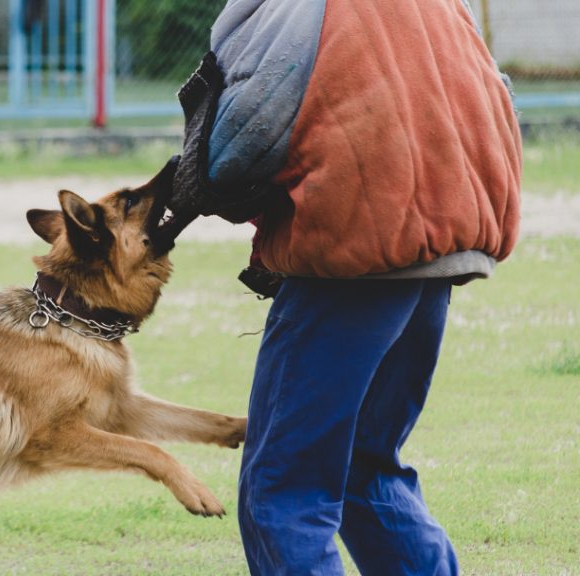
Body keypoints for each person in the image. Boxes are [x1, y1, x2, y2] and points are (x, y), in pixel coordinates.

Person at [168, 0, 522, 574]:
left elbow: (239, 144)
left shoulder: (302, 7)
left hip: (351, 259)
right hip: (440, 252)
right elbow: (495, 96)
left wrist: (201, 184)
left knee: (283, 490)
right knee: (366, 469)